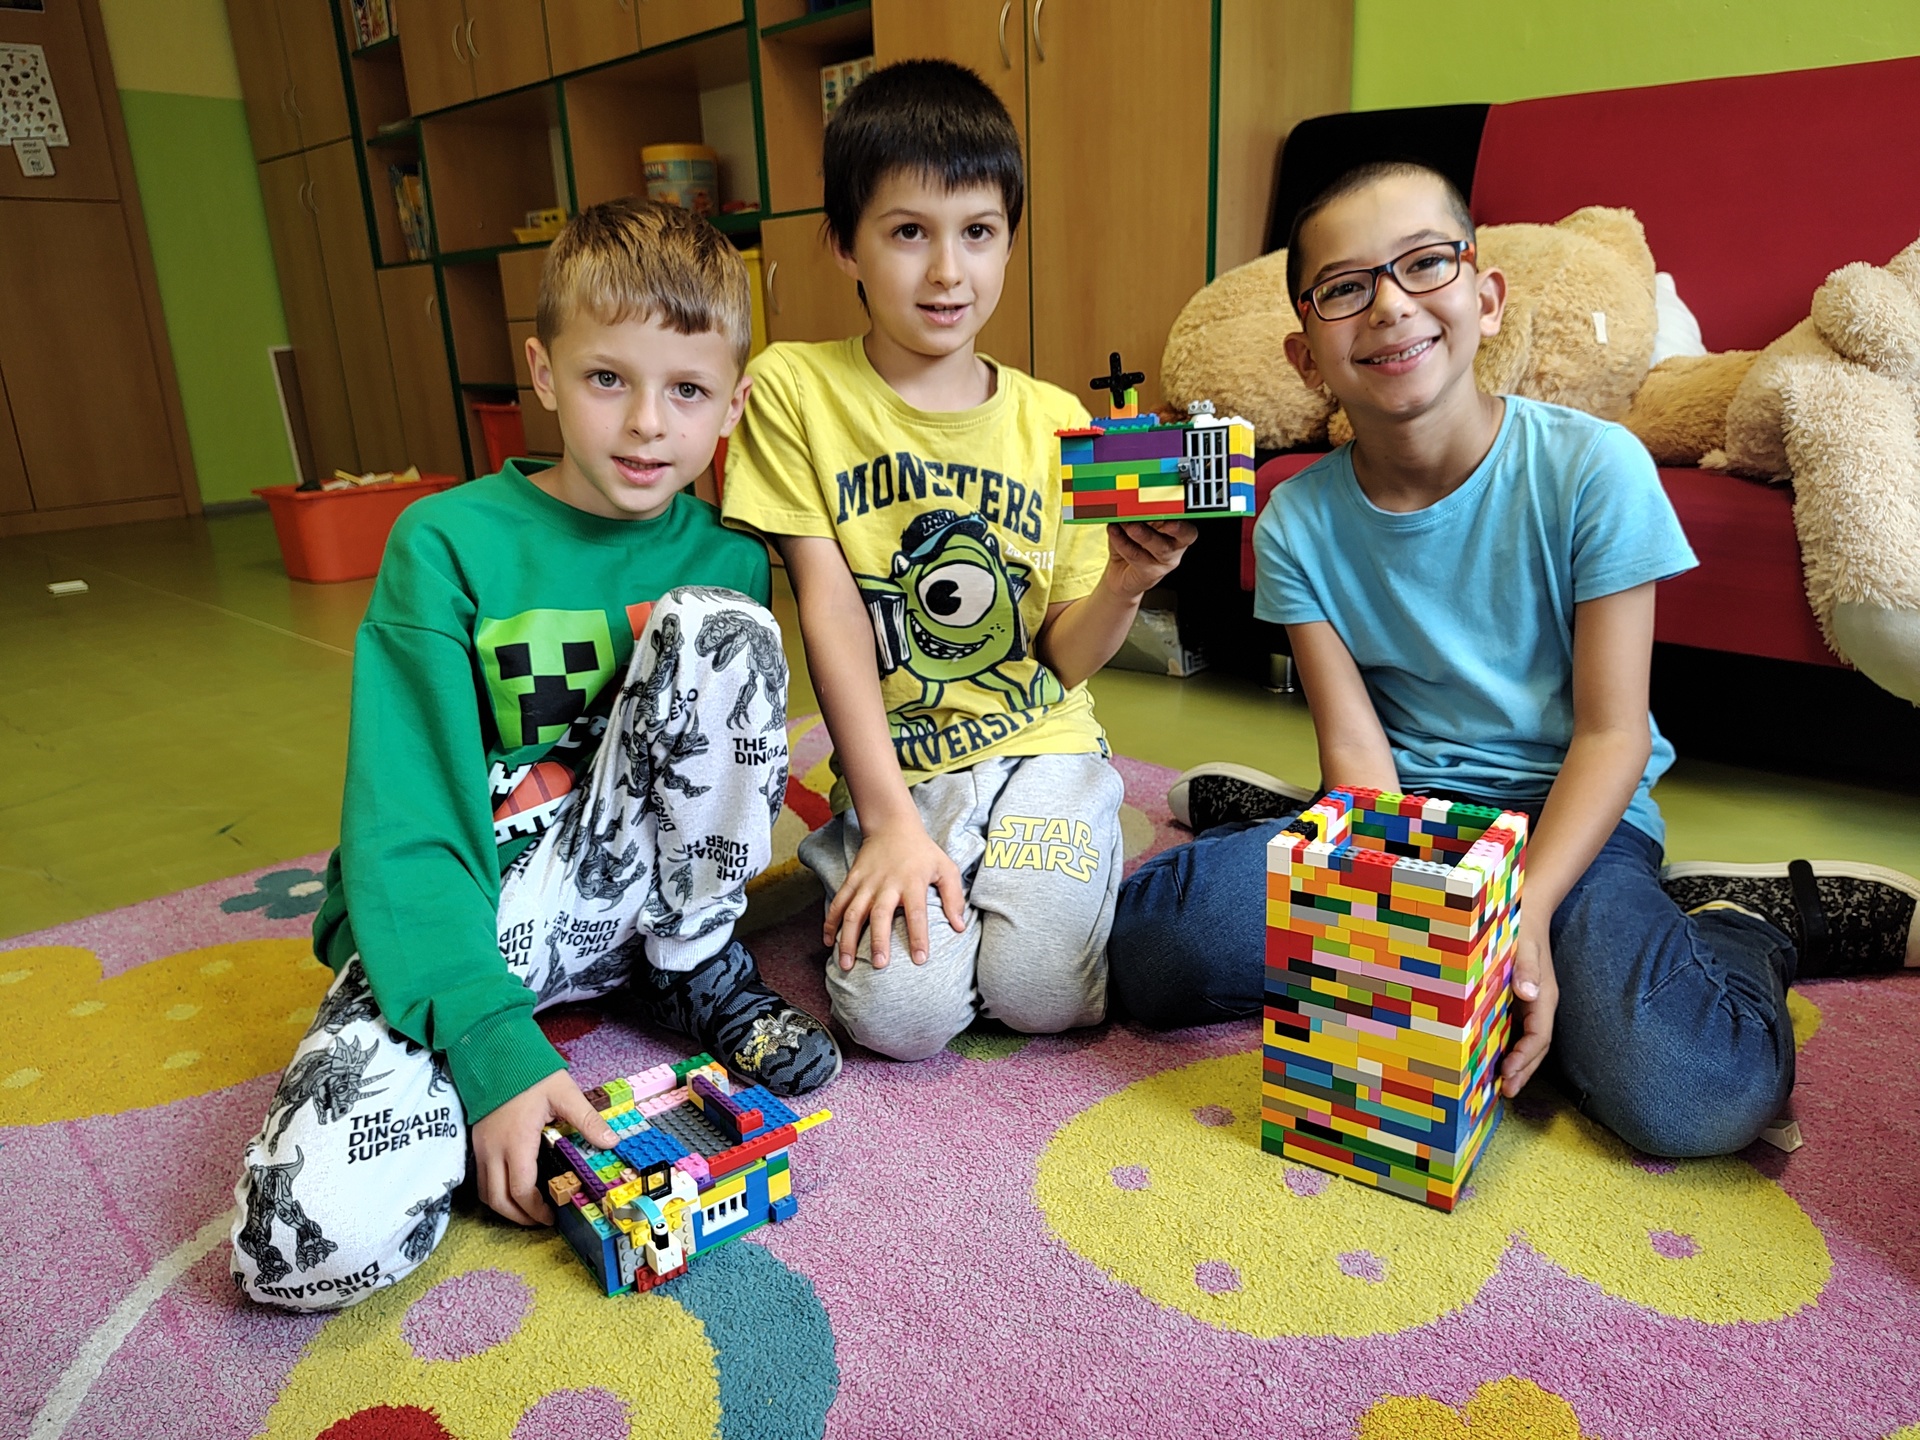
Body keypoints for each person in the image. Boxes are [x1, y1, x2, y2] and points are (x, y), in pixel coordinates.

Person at [1109, 161, 1920, 1157]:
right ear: (1306, 355)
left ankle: (1739, 923)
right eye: (1345, 287)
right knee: (1151, 954)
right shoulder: (1295, 520)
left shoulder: (1593, 468)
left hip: (1575, 822)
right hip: (1405, 814)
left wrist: (1515, 917)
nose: (1391, 305)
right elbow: (1357, 755)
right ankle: (1288, 825)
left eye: (1424, 264)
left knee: (1690, 1093)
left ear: (1486, 299)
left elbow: (1615, 736)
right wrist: (1402, 917)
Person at [230, 199, 838, 1311]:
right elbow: (409, 813)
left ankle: (692, 968)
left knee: (720, 630)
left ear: (733, 405)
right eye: (608, 379)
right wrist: (487, 1043)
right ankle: (484, 1087)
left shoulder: (731, 560)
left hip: (642, 908)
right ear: (543, 373)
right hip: (482, 912)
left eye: (688, 391)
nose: (647, 424)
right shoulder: (444, 543)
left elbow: (726, 782)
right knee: (299, 1252)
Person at [722, 60, 1195, 1062]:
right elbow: (830, 609)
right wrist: (889, 820)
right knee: (900, 1020)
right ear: (844, 244)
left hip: (1043, 746)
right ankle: (897, 854)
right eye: (909, 232)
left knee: (1040, 994)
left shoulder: (1059, 422)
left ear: (1009, 239)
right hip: (900, 765)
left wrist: (1126, 582)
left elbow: (1061, 658)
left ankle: (1066, 842)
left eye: (978, 232)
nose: (948, 271)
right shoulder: (794, 389)